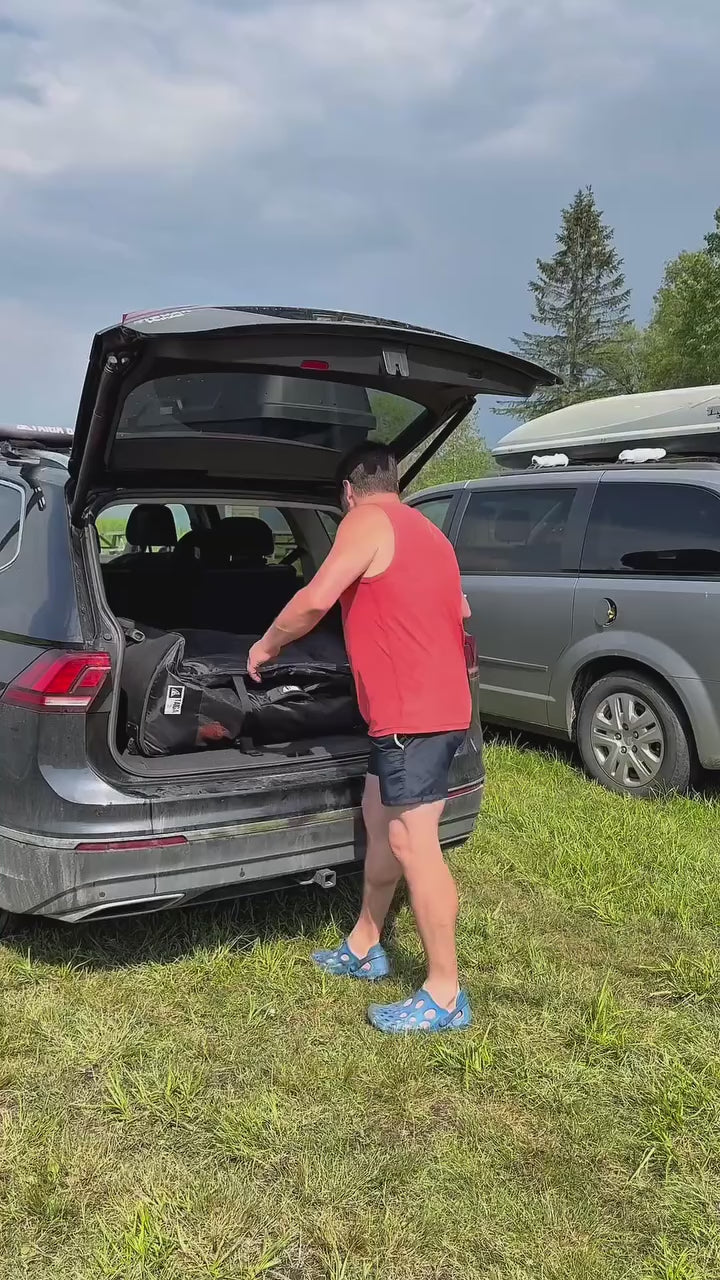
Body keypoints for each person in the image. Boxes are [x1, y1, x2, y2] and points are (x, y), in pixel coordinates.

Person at [247, 442, 473, 1034]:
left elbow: (314, 600)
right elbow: (462, 610)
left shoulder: (365, 521)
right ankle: (366, 943)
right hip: (434, 710)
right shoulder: (430, 532)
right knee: (380, 817)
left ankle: (444, 992)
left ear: (348, 491)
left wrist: (266, 646)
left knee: (411, 841)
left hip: (412, 718)